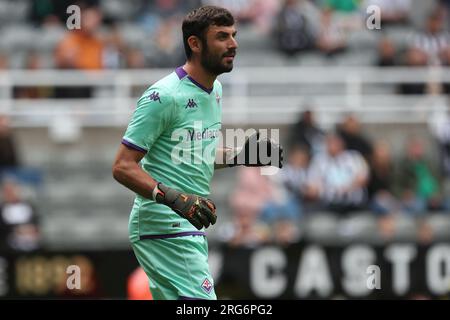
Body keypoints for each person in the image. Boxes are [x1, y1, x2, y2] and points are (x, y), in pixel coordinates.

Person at [112, 6, 283, 300]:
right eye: (221, 37)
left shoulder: (214, 89)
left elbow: (190, 154)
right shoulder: (163, 96)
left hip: (185, 222)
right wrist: (174, 198)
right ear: (195, 43)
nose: (233, 44)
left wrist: (240, 155)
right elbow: (122, 166)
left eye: (233, 35)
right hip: (165, 224)